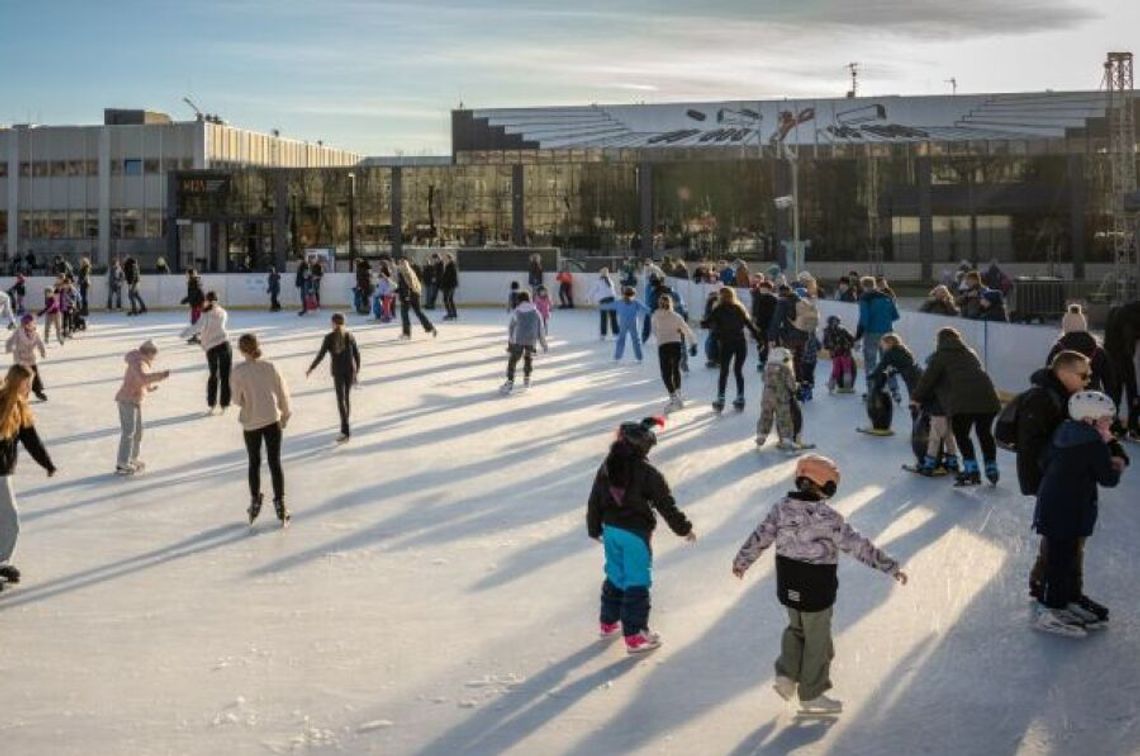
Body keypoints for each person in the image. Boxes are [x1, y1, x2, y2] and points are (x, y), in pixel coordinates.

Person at [732, 454, 907, 715]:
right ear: (825, 486)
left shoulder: (782, 507)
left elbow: (761, 534)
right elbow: (858, 545)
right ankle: (812, 693)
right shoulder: (829, 517)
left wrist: (742, 560)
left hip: (788, 580)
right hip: (816, 586)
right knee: (819, 641)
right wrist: (889, 566)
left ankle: (786, 676)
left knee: (796, 628)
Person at [586, 416, 696, 654]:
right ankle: (635, 635)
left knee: (616, 575)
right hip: (634, 534)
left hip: (611, 531)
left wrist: (593, 528)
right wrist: (684, 529)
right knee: (637, 581)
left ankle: (608, 622)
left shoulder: (608, 465)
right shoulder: (648, 472)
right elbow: (666, 505)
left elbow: (594, 498)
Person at [1031, 391, 1125, 637]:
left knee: (1064, 556)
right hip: (1070, 510)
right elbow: (1108, 479)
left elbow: (1043, 461)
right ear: (1090, 420)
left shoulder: (1064, 431)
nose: (1110, 424)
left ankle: (1067, 600)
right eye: (1105, 420)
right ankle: (1050, 610)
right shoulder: (1092, 443)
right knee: (1062, 560)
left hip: (1053, 505)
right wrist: (1116, 463)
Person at [911, 327, 1002, 486]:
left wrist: (916, 398)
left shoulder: (940, 356)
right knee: (984, 433)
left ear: (939, 341)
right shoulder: (970, 353)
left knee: (962, 435)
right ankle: (991, 468)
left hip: (962, 402)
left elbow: (927, 380)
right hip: (988, 398)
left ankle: (971, 470)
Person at [0, 364, 57, 591]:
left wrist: (47, 463)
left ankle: (2, 562)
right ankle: (2, 561)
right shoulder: (3, 403)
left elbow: (31, 439)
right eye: (28, 382)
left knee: (7, 519)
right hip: (0, 472)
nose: (30, 386)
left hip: (3, 472)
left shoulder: (20, 407)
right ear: (19, 382)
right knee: (11, 520)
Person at [230, 333, 292, 526]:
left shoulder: (238, 371)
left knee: (254, 462)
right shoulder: (270, 366)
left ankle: (255, 500)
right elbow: (283, 392)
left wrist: (248, 401)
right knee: (275, 462)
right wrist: (286, 414)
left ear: (241, 350)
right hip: (272, 420)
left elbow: (236, 399)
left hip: (251, 422)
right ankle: (280, 503)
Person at [113, 340, 170, 475]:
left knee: (138, 431)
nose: (155, 357)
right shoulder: (138, 362)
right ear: (148, 352)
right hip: (127, 400)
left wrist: (149, 389)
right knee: (129, 431)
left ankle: (132, 458)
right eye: (154, 353)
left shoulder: (141, 362)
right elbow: (143, 378)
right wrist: (160, 376)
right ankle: (122, 462)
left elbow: (140, 381)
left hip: (135, 400)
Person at [701, 286, 762, 412]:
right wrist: (760, 341)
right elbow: (750, 325)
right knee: (738, 371)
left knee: (724, 371)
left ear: (721, 296)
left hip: (726, 343)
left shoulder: (718, 309)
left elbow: (705, 323)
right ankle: (740, 398)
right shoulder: (739, 308)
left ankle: (721, 399)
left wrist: (706, 316)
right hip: (740, 343)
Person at [306, 313, 361, 443]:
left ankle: (345, 431)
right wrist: (356, 371)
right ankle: (345, 426)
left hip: (338, 372)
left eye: (331, 322)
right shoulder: (349, 335)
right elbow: (357, 355)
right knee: (346, 398)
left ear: (334, 323)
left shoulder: (329, 338)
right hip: (349, 371)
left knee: (341, 400)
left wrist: (311, 368)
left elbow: (321, 355)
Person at [1045, 305, 1116, 397]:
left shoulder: (1057, 350)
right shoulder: (1098, 350)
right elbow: (1110, 382)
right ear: (1083, 326)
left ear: (1066, 327)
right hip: (1094, 400)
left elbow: (1048, 378)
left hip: (1066, 401)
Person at [181, 291, 232, 415]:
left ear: (207, 301)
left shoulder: (206, 315)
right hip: (224, 345)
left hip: (212, 348)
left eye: (203, 302)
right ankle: (224, 404)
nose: (201, 305)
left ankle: (213, 404)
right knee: (224, 376)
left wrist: (183, 334)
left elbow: (197, 327)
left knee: (214, 375)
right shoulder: (223, 312)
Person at [652, 294, 698, 412]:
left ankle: (674, 398)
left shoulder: (656, 315)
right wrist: (693, 343)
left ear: (659, 304)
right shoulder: (676, 316)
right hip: (676, 345)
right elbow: (686, 329)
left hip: (664, 346)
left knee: (666, 373)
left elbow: (655, 331)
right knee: (675, 369)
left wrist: (661, 336)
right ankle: (678, 393)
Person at [853, 276, 900, 391]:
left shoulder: (865, 298)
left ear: (863, 286)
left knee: (871, 362)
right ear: (874, 285)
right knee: (888, 361)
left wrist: (857, 337)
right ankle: (894, 389)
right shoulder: (887, 297)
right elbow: (895, 316)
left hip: (872, 334)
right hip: (888, 334)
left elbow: (864, 319)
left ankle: (872, 389)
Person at [501, 291, 548, 394]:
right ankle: (527, 378)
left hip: (518, 339)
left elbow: (511, 327)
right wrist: (544, 344)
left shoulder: (517, 311)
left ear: (519, 300)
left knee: (513, 360)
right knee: (528, 358)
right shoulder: (536, 312)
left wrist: (511, 341)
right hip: (531, 340)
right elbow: (541, 329)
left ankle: (510, 381)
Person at [600, 287, 652, 362]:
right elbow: (646, 310)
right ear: (634, 294)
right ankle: (639, 358)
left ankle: (617, 358)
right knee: (635, 340)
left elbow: (608, 306)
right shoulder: (636, 302)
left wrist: (601, 306)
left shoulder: (619, 302)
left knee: (621, 340)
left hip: (623, 324)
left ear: (624, 294)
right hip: (633, 324)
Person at [5, 315, 47, 401]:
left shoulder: (36, 333)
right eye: (25, 324)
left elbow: (40, 343)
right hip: (21, 357)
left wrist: (43, 352)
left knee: (35, 374)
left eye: (29, 323)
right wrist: (10, 348)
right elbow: (10, 341)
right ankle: (20, 392)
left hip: (31, 357)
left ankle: (38, 391)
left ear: (33, 324)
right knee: (28, 374)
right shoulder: (18, 332)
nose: (27, 325)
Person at [395, 259, 437, 340]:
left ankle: (406, 333)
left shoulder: (403, 273)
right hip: (415, 295)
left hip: (408, 296)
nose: (399, 266)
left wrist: (406, 296)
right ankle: (431, 328)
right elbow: (406, 286)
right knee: (418, 312)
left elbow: (407, 286)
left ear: (403, 265)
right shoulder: (411, 272)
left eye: (400, 264)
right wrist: (395, 290)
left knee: (404, 314)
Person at [822, 315, 856, 394]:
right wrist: (850, 345)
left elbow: (825, 345)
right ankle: (846, 387)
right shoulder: (842, 330)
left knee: (838, 370)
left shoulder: (827, 331)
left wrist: (832, 347)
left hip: (838, 353)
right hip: (843, 352)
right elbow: (851, 339)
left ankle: (832, 386)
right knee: (845, 369)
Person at [750, 278, 778, 369]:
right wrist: (753, 322)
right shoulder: (757, 298)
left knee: (768, 343)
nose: (762, 290)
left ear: (769, 289)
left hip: (769, 324)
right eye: (761, 288)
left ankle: (768, 360)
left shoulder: (773, 299)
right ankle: (762, 360)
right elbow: (754, 311)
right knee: (761, 343)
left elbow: (775, 313)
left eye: (765, 288)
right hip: (760, 324)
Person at [588, 269, 619, 340]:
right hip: (610, 300)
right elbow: (613, 292)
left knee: (605, 317)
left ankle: (604, 334)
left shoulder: (604, 281)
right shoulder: (609, 281)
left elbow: (592, 290)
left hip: (607, 300)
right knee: (612, 317)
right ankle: (614, 334)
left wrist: (588, 298)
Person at [440, 253, 459, 321]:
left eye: (446, 258)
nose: (444, 259)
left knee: (446, 299)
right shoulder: (449, 265)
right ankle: (454, 313)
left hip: (449, 286)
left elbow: (448, 277)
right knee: (450, 299)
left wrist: (443, 285)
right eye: (444, 258)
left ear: (449, 259)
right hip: (450, 285)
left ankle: (450, 314)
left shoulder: (451, 266)